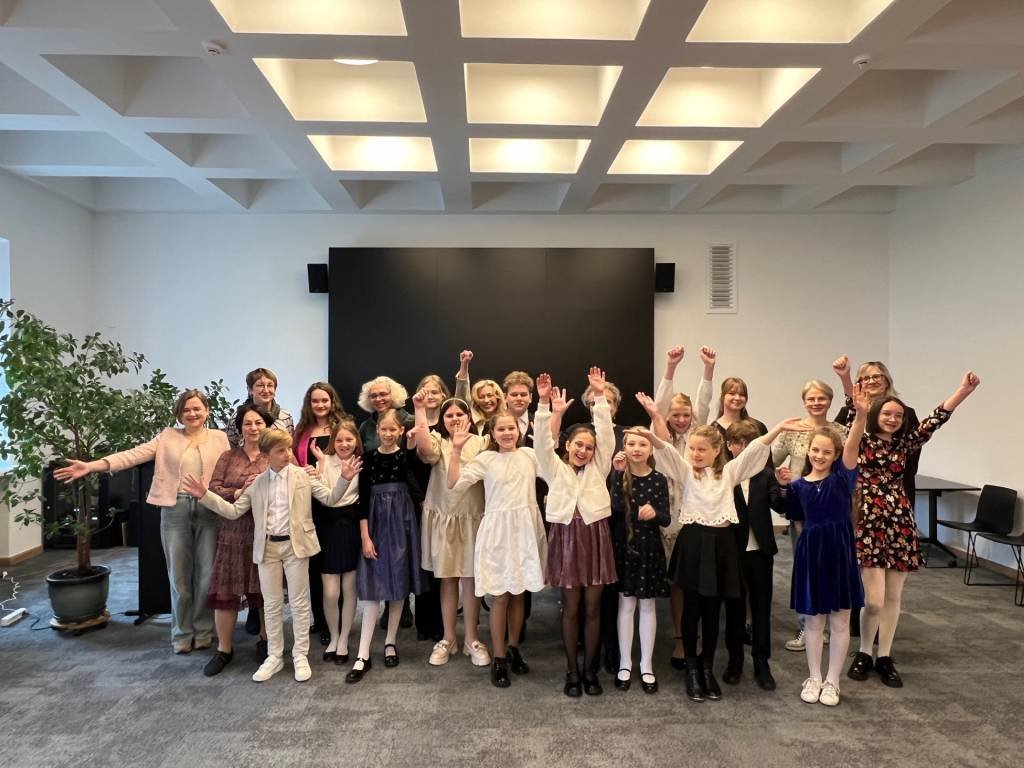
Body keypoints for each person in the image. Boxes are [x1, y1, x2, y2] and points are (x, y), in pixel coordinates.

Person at [635, 394, 809, 703]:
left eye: (702, 449)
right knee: (692, 609)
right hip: (693, 543)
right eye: (693, 449)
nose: (695, 454)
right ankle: (692, 669)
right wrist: (652, 434)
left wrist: (778, 429)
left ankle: (707, 669)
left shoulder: (729, 473)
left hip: (722, 545)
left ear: (717, 451)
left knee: (713, 611)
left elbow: (754, 451)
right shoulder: (686, 471)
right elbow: (666, 452)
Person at [55, 389, 230, 654]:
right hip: (175, 509)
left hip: (209, 509)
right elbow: (132, 455)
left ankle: (204, 630)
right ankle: (182, 633)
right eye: (186, 410)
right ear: (179, 414)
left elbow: (229, 470)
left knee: (207, 576)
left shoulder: (220, 438)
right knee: (179, 578)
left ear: (207, 411)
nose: (192, 414)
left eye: (197, 408)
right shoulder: (167, 437)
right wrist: (93, 466)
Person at [182, 428, 356, 683]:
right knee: (272, 604)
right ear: (267, 454)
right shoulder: (257, 482)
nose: (288, 454)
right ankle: (274, 656)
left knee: (299, 603)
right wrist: (205, 496)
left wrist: (344, 479)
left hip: (296, 546)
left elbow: (330, 498)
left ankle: (300, 655)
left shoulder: (302, 475)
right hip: (267, 549)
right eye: (281, 451)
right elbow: (233, 511)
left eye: (288, 449)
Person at [844, 371, 981, 688]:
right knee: (873, 601)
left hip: (900, 523)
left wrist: (963, 391)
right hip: (869, 524)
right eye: (887, 414)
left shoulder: (905, 444)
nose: (893, 419)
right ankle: (864, 651)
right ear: (876, 415)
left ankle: (884, 656)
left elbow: (936, 419)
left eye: (898, 415)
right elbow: (854, 413)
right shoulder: (862, 440)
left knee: (893, 597)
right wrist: (846, 379)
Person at [784, 384, 870, 707]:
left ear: (835, 457)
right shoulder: (798, 486)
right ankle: (814, 677)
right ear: (808, 452)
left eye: (826, 452)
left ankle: (833, 680)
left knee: (840, 621)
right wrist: (807, 549)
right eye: (815, 451)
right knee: (813, 621)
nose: (819, 456)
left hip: (840, 554)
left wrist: (861, 415)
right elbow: (798, 522)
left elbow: (854, 442)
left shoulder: (842, 480)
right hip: (811, 555)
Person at [447, 410, 547, 689]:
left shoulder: (529, 455)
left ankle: (514, 648)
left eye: (511, 428)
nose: (506, 433)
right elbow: (453, 484)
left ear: (519, 430)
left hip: (525, 530)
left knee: (519, 593)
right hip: (497, 532)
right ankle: (499, 657)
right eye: (501, 429)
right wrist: (456, 450)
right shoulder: (486, 459)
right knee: (500, 596)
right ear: (492, 433)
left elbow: (555, 472)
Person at [535, 370, 617, 697]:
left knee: (593, 608)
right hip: (567, 538)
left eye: (589, 447)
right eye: (578, 445)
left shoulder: (600, 467)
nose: (584, 450)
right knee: (571, 608)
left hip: (596, 537)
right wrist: (544, 405)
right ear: (567, 445)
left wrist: (599, 397)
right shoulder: (553, 468)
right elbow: (542, 444)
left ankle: (590, 671)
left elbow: (607, 435)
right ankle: (572, 670)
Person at [410, 391, 490, 667]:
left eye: (460, 414)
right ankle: (448, 638)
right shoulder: (437, 441)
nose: (455, 419)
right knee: (447, 579)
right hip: (444, 517)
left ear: (469, 417)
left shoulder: (481, 442)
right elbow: (424, 450)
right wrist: (419, 409)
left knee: (470, 579)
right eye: (449, 415)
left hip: (472, 518)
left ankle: (471, 639)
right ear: (442, 419)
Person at [346, 409, 425, 683]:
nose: (388, 434)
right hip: (376, 525)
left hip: (402, 523)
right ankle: (363, 653)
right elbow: (362, 499)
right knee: (372, 588)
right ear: (377, 430)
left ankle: (390, 641)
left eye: (393, 429)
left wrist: (413, 437)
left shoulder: (405, 456)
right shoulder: (368, 459)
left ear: (400, 431)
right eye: (384, 429)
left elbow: (413, 458)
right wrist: (365, 536)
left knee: (399, 582)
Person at [651, 344, 716, 669]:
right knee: (676, 583)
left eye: (685, 415)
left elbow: (704, 402)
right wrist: (670, 367)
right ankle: (679, 638)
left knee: (696, 583)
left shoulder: (696, 436)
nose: (680, 419)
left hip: (697, 516)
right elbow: (660, 404)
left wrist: (708, 369)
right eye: (675, 415)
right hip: (669, 519)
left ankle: (697, 635)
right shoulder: (660, 437)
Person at [772, 380, 849, 653]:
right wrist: (783, 481)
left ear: (830, 401)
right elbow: (769, 461)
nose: (816, 403)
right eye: (811, 398)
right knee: (805, 568)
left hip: (833, 511)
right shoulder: (792, 431)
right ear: (804, 401)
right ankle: (807, 625)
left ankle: (830, 625)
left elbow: (848, 469)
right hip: (802, 510)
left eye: (821, 398)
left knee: (833, 568)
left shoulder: (841, 431)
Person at [203, 404, 273, 676]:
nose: (253, 428)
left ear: (267, 426)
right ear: (240, 428)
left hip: (264, 532)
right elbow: (213, 488)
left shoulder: (275, 454)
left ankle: (266, 641)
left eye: (259, 423)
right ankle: (224, 649)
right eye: (248, 423)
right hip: (232, 532)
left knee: (266, 592)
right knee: (226, 593)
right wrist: (239, 491)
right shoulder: (228, 456)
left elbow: (290, 482)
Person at [723, 420, 786, 691]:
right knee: (734, 609)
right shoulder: (725, 474)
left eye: (749, 443)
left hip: (760, 552)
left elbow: (780, 506)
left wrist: (783, 487)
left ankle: (762, 664)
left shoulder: (766, 474)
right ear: (729, 446)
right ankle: (735, 661)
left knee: (761, 609)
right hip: (732, 552)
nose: (744, 448)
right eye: (738, 443)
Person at [609, 432, 670, 694]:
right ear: (624, 447)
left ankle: (646, 664)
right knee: (626, 605)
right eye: (631, 444)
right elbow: (613, 508)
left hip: (649, 550)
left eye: (643, 444)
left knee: (647, 605)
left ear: (651, 449)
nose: (637, 448)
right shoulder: (619, 477)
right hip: (624, 549)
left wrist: (655, 513)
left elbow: (666, 517)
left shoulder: (658, 479)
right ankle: (625, 662)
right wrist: (616, 474)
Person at [293, 381, 348, 645]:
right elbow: (294, 463)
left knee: (335, 565)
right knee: (315, 564)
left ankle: (337, 622)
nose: (320, 405)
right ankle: (321, 620)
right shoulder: (302, 431)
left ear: (332, 401)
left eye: (324, 400)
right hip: (308, 504)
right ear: (309, 403)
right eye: (315, 400)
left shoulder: (342, 427)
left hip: (337, 503)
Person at [305, 420, 363, 667]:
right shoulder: (322, 463)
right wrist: (322, 467)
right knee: (330, 592)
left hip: (350, 528)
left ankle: (343, 639)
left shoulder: (362, 463)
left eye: (349, 439)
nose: (344, 444)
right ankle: (334, 634)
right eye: (339, 440)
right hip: (327, 529)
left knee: (349, 589)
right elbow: (328, 498)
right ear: (332, 442)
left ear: (357, 441)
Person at [225, 367, 294, 446]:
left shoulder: (285, 416)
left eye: (270, 385)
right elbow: (230, 446)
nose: (266, 390)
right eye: (260, 385)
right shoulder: (237, 416)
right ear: (250, 390)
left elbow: (289, 445)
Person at [356, 376, 412, 452]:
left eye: (383, 394)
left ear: (393, 395)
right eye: (373, 396)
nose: (378, 399)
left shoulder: (412, 422)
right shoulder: (366, 427)